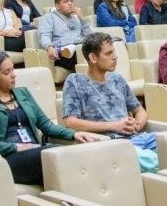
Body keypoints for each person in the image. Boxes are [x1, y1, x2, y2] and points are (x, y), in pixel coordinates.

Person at [0, 51, 95, 185]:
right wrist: (14, 147)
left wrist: (73, 134)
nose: (13, 75)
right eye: (6, 72)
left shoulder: (22, 93)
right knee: (55, 155)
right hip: (10, 158)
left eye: (12, 69)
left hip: (36, 151)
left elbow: (46, 125)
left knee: (68, 155)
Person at [62, 32, 158, 161]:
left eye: (114, 52)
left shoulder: (117, 78)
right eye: (108, 53)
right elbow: (71, 122)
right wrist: (114, 126)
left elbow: (139, 110)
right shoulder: (75, 81)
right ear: (93, 58)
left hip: (138, 138)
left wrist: (137, 124)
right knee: (154, 160)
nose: (115, 57)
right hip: (112, 144)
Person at [38, 0, 93, 72]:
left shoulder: (76, 17)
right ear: (57, 6)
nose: (70, 3)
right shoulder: (49, 17)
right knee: (85, 54)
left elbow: (90, 37)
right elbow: (44, 35)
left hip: (79, 47)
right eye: (66, 1)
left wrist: (82, 19)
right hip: (63, 54)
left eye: (71, 1)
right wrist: (49, 47)